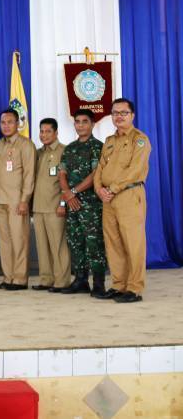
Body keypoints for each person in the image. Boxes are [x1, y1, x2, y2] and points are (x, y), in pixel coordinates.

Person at [93, 98, 151, 303]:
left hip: (128, 195)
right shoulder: (109, 140)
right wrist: (99, 189)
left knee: (133, 243)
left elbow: (135, 170)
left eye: (123, 113)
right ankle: (119, 285)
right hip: (107, 199)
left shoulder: (140, 139)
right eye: (115, 112)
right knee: (113, 243)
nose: (119, 116)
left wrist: (113, 188)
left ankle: (134, 289)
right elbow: (100, 168)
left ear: (132, 115)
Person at [0, 109, 36, 291]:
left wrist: (25, 200)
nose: (6, 126)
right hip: (0, 200)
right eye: (3, 122)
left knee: (19, 240)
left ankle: (20, 279)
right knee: (5, 241)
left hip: (17, 201)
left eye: (10, 122)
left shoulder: (26, 145)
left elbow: (29, 175)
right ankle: (8, 277)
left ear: (18, 124)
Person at [59, 109, 106, 296]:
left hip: (91, 205)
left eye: (84, 121)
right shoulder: (69, 148)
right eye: (77, 122)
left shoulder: (98, 147)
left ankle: (99, 284)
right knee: (75, 242)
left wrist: (72, 192)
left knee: (94, 244)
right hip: (72, 204)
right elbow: (62, 174)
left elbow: (95, 175)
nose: (80, 125)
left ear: (93, 124)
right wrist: (67, 194)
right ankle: (80, 280)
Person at [31, 118, 71, 292]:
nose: (44, 135)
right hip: (38, 207)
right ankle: (46, 279)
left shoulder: (64, 151)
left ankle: (62, 281)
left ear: (56, 133)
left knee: (58, 245)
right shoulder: (38, 153)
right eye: (42, 131)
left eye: (48, 131)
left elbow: (67, 182)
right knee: (42, 246)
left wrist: (63, 204)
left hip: (55, 207)